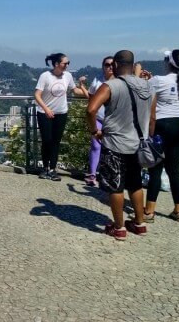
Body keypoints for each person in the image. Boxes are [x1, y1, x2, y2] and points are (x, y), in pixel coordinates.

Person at [86, 50, 156, 241]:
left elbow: (91, 109)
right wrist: (148, 138)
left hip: (115, 143)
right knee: (135, 184)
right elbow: (152, 118)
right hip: (138, 144)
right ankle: (139, 224)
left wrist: (95, 132)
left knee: (115, 187)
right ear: (133, 66)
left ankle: (119, 227)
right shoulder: (148, 87)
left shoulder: (111, 85)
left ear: (115, 64)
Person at [144, 50, 179, 222]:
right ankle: (178, 211)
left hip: (162, 125)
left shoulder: (158, 80)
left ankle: (149, 211)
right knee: (174, 170)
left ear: (168, 62)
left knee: (155, 169)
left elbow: (146, 96)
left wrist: (146, 80)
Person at [33, 53, 88, 181]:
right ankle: (45, 167)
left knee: (56, 142)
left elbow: (75, 91)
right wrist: (46, 109)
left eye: (68, 63)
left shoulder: (68, 76)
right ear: (57, 64)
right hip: (44, 112)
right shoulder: (45, 76)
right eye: (65, 63)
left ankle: (52, 169)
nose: (67, 65)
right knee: (46, 140)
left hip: (61, 112)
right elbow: (37, 94)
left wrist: (86, 90)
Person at [85, 56, 114, 187]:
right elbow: (91, 96)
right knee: (96, 146)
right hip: (98, 117)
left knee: (111, 148)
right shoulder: (97, 80)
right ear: (103, 66)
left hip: (113, 120)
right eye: (107, 65)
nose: (110, 67)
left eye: (112, 64)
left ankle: (108, 174)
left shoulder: (119, 81)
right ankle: (92, 175)